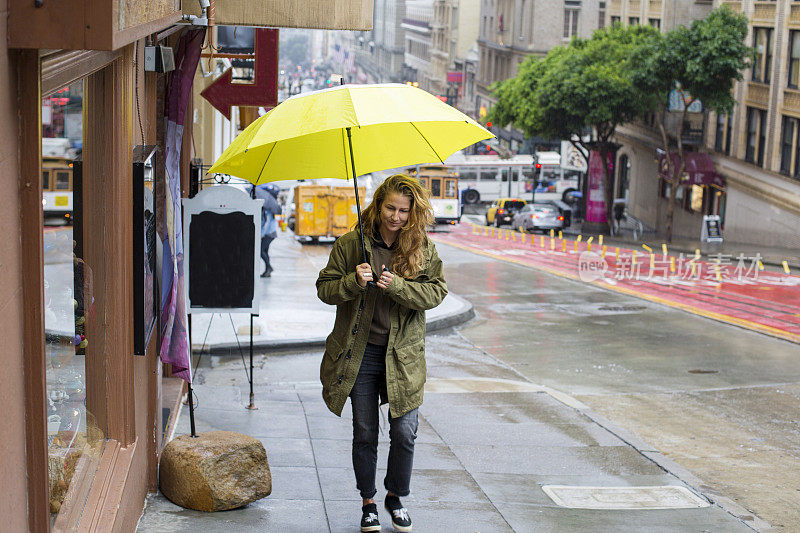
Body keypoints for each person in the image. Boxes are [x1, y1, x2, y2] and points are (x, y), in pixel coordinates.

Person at [316, 174, 447, 532]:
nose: (396, 217)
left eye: (404, 210)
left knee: (404, 431)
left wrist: (401, 287)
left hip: (402, 357)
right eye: (390, 207)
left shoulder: (422, 248)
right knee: (365, 431)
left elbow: (437, 293)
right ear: (378, 204)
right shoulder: (350, 245)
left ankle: (395, 495)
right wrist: (353, 282)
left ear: (413, 212)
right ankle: (369, 502)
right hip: (359, 355)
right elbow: (324, 289)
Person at [255, 183, 282, 277]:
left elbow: (266, 224)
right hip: (270, 233)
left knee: (260, 251)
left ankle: (269, 267)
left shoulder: (268, 210)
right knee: (265, 251)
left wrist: (261, 234)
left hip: (269, 234)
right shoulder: (268, 208)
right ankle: (268, 270)